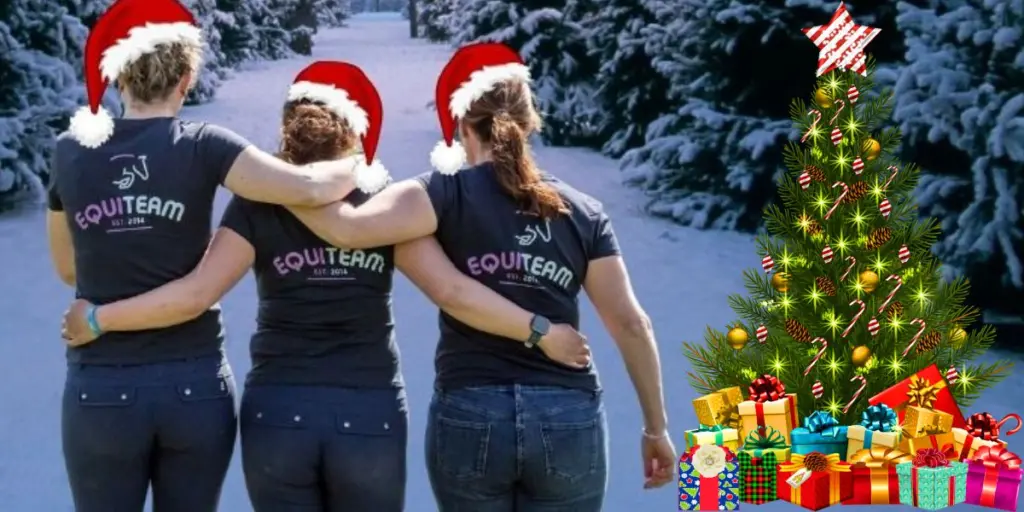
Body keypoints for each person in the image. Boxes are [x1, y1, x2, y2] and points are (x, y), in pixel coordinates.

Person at [62, 60, 591, 512]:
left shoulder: (257, 204)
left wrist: (100, 313)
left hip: (276, 414)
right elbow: (452, 290)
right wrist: (540, 327)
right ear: (359, 129)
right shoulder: (382, 206)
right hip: (370, 414)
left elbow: (198, 291)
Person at [282, 42, 676, 510]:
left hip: (471, 410)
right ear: (529, 121)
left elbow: (345, 230)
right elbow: (631, 324)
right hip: (567, 413)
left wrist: (288, 173)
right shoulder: (584, 211)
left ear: (462, 127)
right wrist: (656, 429)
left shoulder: (438, 194)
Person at [45, 2, 374, 511]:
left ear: (118, 76)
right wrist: (357, 162)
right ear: (187, 79)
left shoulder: (69, 150)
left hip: (102, 386)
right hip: (193, 386)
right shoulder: (204, 145)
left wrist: (101, 308)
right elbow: (309, 189)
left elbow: (69, 268)